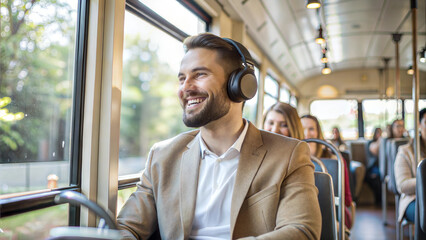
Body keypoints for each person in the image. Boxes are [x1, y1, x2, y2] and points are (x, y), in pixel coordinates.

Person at [117, 33, 321, 240]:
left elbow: (302, 231)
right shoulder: (162, 156)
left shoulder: (288, 154)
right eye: (182, 78)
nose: (185, 88)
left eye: (200, 75)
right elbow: (126, 227)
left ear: (240, 86)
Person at [301, 114, 353, 230]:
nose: (306, 134)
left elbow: (346, 199)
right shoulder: (291, 159)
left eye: (311, 129)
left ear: (318, 132)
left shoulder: (335, 159)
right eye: (302, 129)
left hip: (334, 211)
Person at [395, 108, 426, 223]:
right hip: (413, 198)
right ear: (419, 125)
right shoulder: (405, 152)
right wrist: (423, 181)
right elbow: (402, 185)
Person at [365, 127, 382, 205]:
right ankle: (378, 201)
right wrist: (380, 140)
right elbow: (374, 152)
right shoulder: (371, 143)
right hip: (371, 168)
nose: (380, 135)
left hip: (380, 168)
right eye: (378, 133)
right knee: (376, 178)